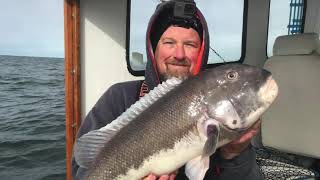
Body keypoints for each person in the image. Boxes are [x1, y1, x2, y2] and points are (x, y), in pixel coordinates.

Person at [72, 1, 263, 179]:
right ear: (153, 49)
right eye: (169, 43)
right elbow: (83, 171)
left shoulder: (222, 111)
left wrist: (234, 154)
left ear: (201, 51)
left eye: (190, 45)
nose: (179, 54)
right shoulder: (118, 97)